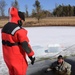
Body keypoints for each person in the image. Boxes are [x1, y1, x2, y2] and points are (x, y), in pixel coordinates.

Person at [1, 7, 35, 75]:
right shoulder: (19, 30)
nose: (23, 22)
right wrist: (31, 56)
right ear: (20, 19)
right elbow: (25, 45)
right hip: (17, 59)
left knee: (12, 72)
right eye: (23, 20)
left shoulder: (4, 27)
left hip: (7, 58)